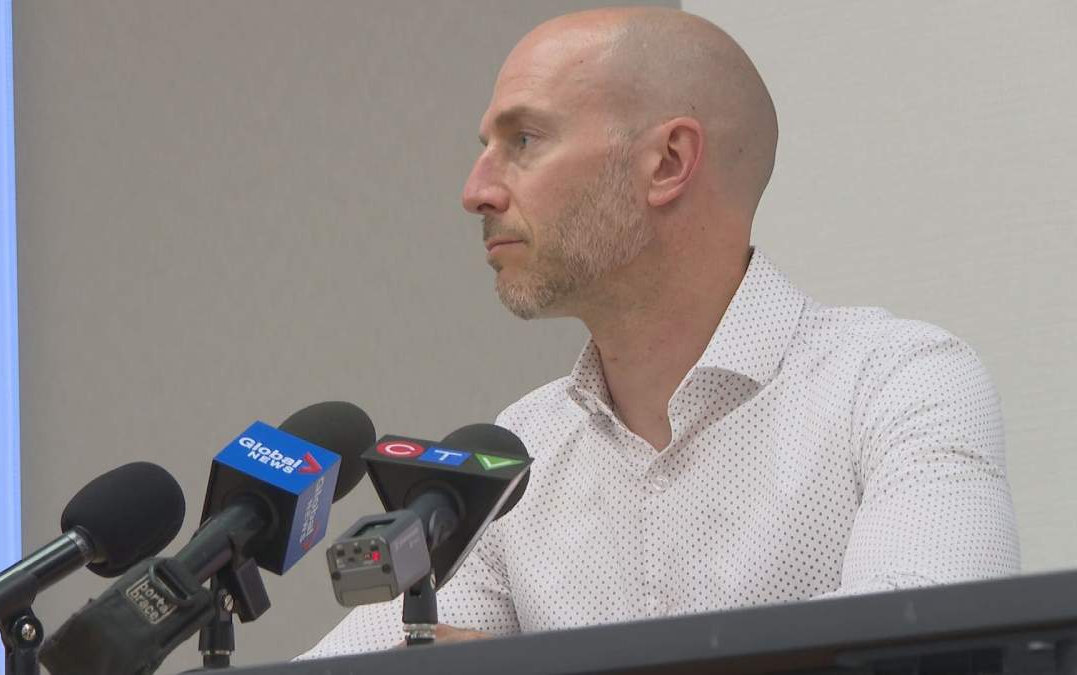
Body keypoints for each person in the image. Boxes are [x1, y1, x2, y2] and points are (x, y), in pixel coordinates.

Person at [300, 6, 1019, 658]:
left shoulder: (898, 382)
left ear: (669, 161)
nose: (476, 191)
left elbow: (925, 651)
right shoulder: (522, 447)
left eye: (523, 139)